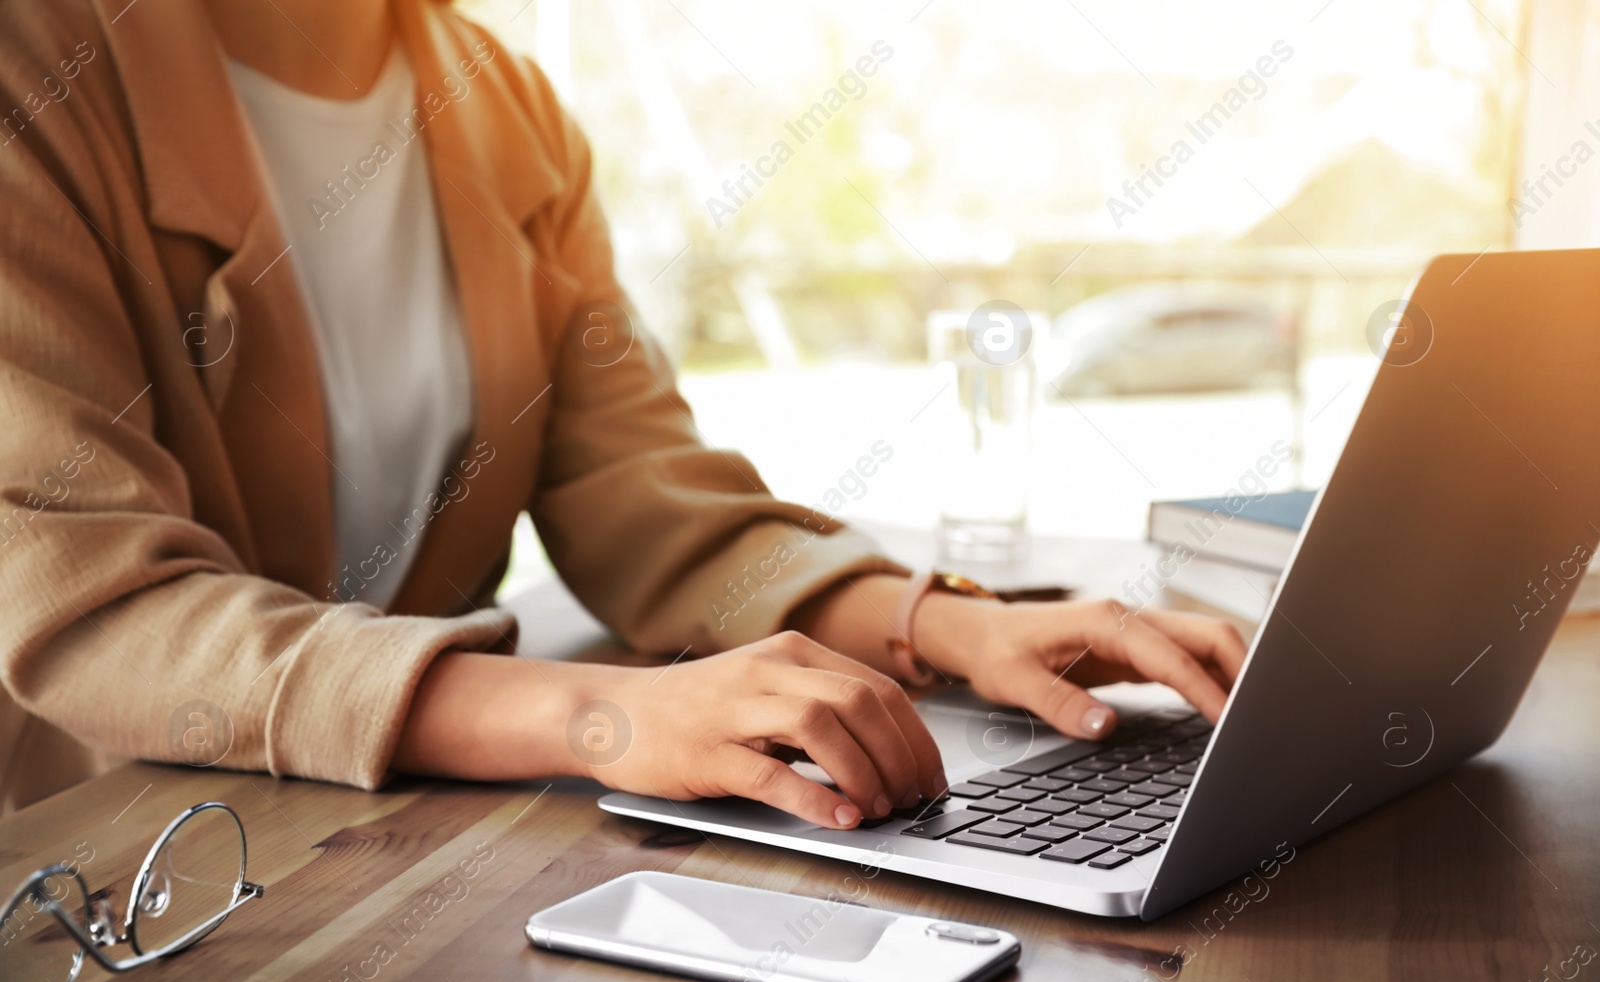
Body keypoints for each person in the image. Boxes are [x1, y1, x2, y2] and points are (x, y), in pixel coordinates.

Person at [0, 0, 1246, 823]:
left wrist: (944, 624)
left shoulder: (505, 104)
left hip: (380, 825)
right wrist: (595, 717)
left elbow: (639, 486)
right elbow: (97, 605)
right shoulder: (36, 65)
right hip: (120, 859)